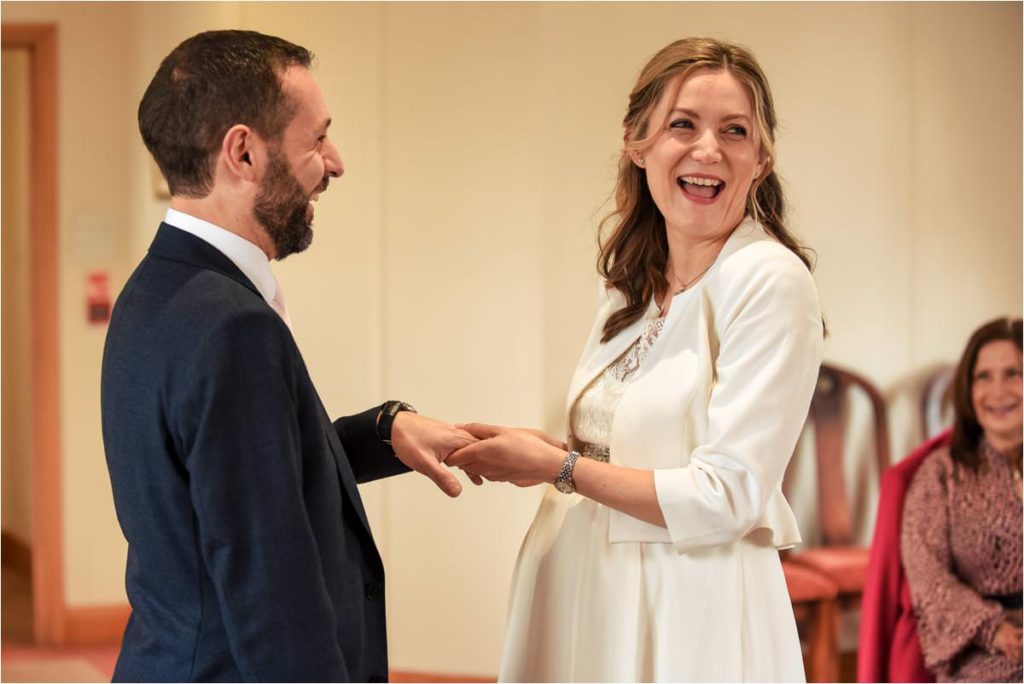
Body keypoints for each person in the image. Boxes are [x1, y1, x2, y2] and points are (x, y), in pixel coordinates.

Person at [101, 30, 474, 682]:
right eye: (318, 137)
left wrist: (384, 432)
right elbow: (270, 594)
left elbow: (237, 479)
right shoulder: (232, 327)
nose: (335, 162)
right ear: (243, 153)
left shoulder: (158, 288)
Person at [448, 37, 823, 682]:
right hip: (585, 582)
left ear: (760, 159)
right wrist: (541, 450)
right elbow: (621, 449)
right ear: (637, 141)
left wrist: (558, 467)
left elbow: (727, 494)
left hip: (685, 601)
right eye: (683, 124)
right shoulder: (632, 280)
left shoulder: (770, 281)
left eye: (734, 131)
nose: (708, 149)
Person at [900, 317, 1023, 682]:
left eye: (1013, 373)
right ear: (967, 389)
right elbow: (927, 576)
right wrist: (992, 629)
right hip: (983, 652)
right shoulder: (940, 474)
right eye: (983, 376)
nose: (997, 391)